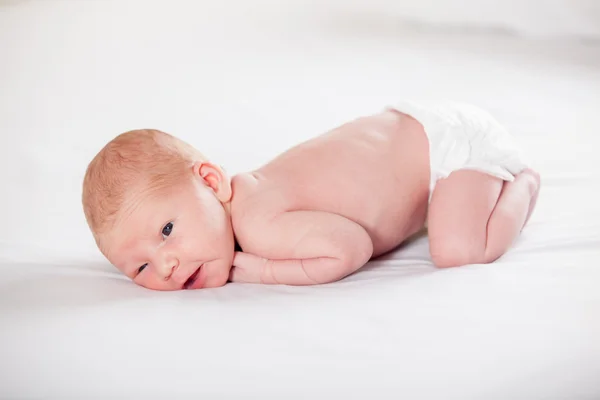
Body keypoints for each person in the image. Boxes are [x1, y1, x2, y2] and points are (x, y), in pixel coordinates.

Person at [81, 101, 540, 290]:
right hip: (412, 127)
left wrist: (261, 270)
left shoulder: (259, 223)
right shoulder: (250, 197)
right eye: (139, 267)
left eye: (166, 230)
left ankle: (522, 185)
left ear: (211, 182)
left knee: (459, 251)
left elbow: (350, 248)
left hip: (449, 148)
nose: (166, 266)